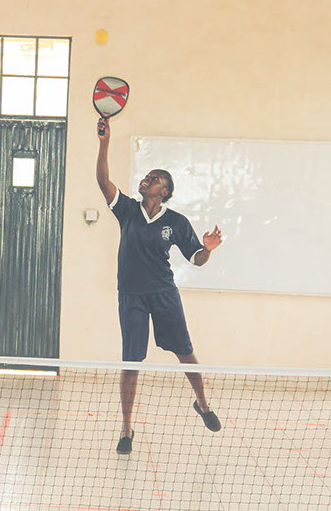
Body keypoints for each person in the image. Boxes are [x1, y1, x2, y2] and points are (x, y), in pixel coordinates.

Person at [96, 118, 223, 456]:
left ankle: (203, 404)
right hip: (132, 297)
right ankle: (126, 429)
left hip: (164, 295)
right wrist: (104, 143)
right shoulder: (127, 210)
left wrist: (208, 249)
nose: (147, 179)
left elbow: (196, 259)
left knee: (185, 352)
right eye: (147, 176)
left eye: (154, 178)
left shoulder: (176, 222)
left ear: (164, 191)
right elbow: (103, 180)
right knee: (131, 363)